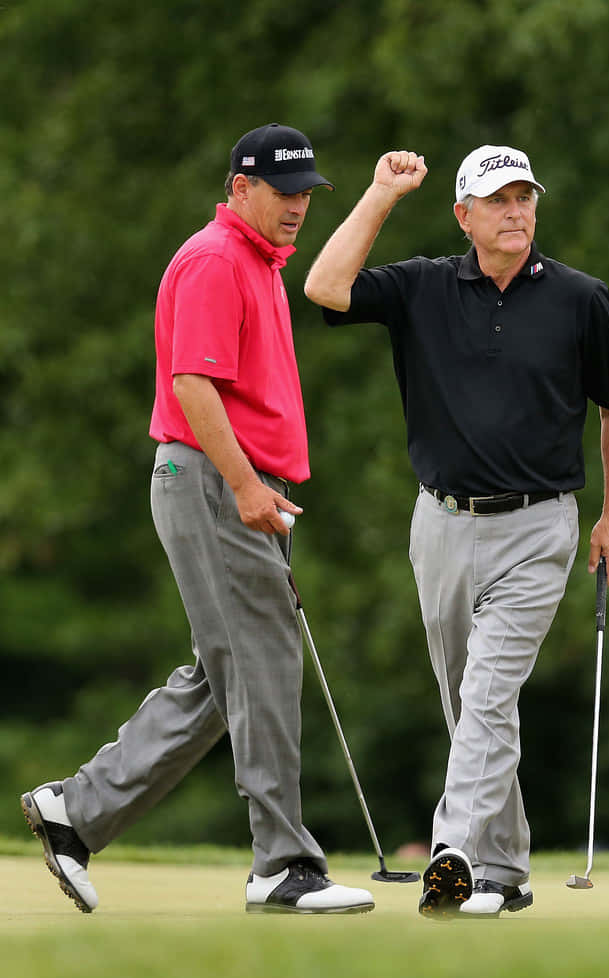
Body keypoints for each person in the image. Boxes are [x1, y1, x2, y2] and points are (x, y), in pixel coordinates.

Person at [21, 123, 375, 916]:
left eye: (306, 193)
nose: (297, 206)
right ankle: (282, 865)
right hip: (216, 481)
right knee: (262, 664)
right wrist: (246, 484)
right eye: (283, 192)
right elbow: (191, 384)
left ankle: (76, 810)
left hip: (228, 482)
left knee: (229, 675)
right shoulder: (216, 259)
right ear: (240, 188)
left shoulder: (258, 261)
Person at [304, 144, 609, 919]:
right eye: (498, 200)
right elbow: (324, 287)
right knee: (471, 707)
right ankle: (504, 869)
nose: (515, 212)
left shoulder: (579, 298)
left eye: (524, 197)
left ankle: (450, 851)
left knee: (487, 692)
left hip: (538, 527)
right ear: (463, 215)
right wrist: (382, 194)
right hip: (441, 524)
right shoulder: (421, 286)